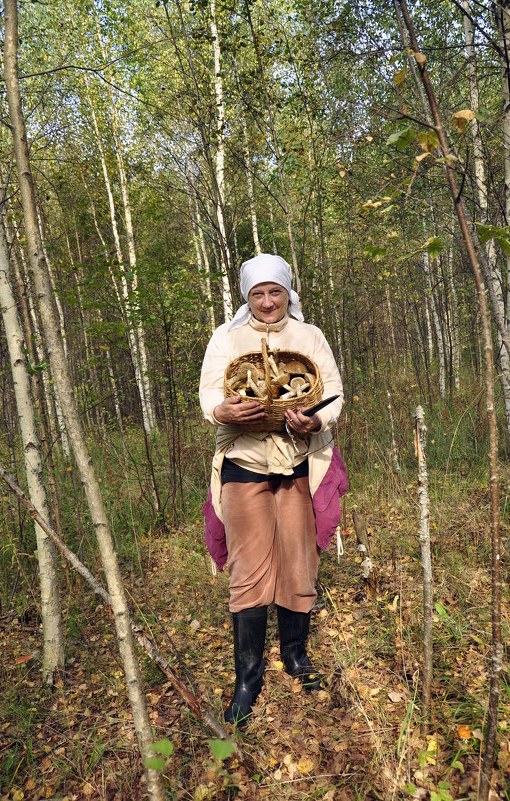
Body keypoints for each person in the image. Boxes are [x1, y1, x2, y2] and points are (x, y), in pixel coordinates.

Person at [199, 253, 348, 727]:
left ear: (288, 292)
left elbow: (335, 392)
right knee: (248, 566)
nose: (267, 301)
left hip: (299, 462)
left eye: (275, 291)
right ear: (246, 296)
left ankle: (296, 657)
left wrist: (316, 417)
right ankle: (248, 678)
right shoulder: (226, 338)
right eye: (257, 293)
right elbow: (208, 393)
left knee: (299, 559)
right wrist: (223, 412)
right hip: (245, 463)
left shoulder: (310, 337)